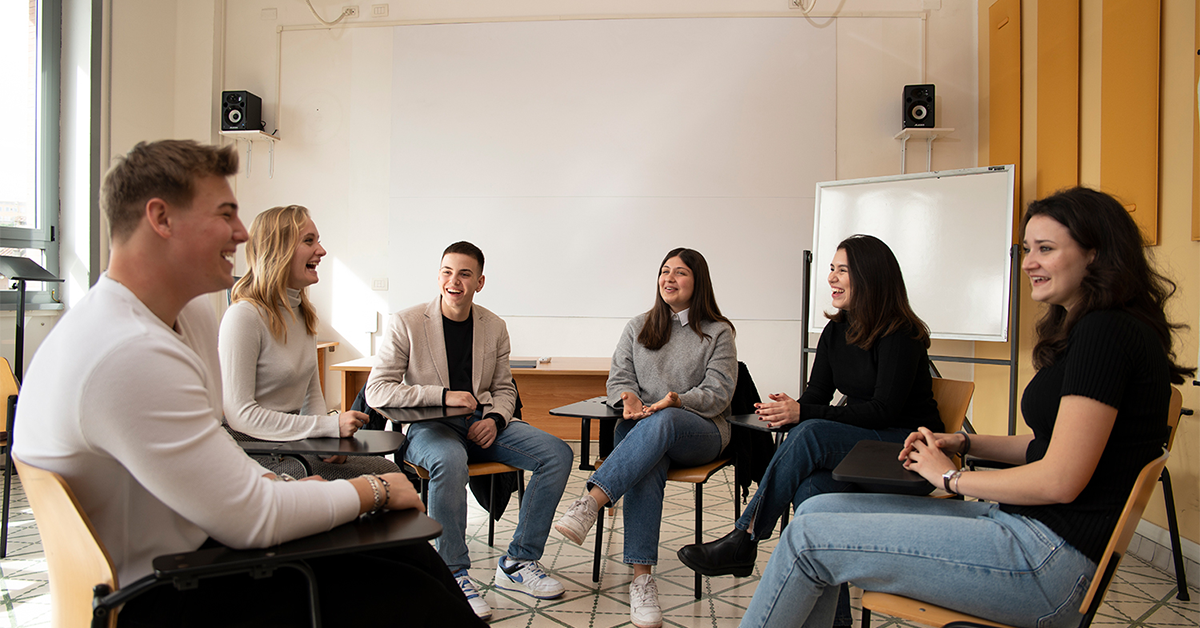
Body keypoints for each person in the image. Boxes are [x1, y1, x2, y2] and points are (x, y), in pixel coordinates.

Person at [12, 140, 483, 627]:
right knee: (406, 588)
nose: (241, 233)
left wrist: (283, 483)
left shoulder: (183, 314)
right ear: (161, 218)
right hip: (164, 588)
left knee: (410, 558)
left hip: (201, 545)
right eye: (225, 213)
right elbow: (254, 514)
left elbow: (214, 444)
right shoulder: (126, 352)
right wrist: (374, 489)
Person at [739, 186, 1192, 628]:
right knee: (819, 510)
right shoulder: (1097, 331)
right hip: (1027, 530)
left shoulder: (1106, 334)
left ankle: (743, 537)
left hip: (1046, 560)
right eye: (1028, 248)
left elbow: (1060, 479)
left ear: (1096, 254)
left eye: (1046, 248)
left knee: (807, 537)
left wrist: (951, 477)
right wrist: (964, 440)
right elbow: (1046, 446)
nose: (1029, 262)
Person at [677, 234, 942, 627]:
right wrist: (788, 408)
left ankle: (745, 538)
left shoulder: (898, 333)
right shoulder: (836, 331)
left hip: (906, 447)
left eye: (842, 270)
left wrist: (805, 413)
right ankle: (835, 621)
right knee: (812, 491)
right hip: (866, 443)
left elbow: (883, 410)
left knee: (813, 431)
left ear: (869, 277)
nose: (832, 278)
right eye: (831, 269)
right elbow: (817, 394)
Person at [364, 241, 573, 622]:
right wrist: (442, 398)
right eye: (447, 272)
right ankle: (453, 573)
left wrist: (494, 421)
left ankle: (518, 561)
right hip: (429, 427)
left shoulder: (493, 326)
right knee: (448, 457)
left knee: (557, 453)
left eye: (464, 274)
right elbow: (377, 391)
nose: (453, 281)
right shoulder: (406, 322)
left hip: (481, 424)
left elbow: (505, 388)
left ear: (479, 282)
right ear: (438, 276)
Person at [553, 247, 737, 628]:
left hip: (698, 430)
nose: (669, 279)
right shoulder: (638, 326)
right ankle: (642, 582)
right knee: (647, 457)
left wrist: (675, 400)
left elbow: (719, 392)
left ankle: (590, 502)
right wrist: (627, 396)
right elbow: (617, 377)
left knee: (664, 422)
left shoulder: (719, 331)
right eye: (664, 271)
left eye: (680, 273)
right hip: (642, 426)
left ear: (698, 282)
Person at [219, 204, 399, 479]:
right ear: (277, 251)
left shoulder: (304, 315)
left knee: (390, 472)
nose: (322, 251)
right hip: (254, 453)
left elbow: (311, 397)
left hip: (292, 444)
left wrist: (328, 443)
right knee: (384, 483)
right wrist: (326, 428)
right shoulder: (243, 317)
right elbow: (240, 415)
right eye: (308, 240)